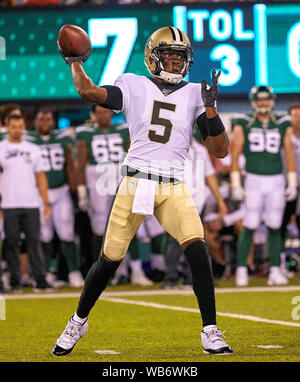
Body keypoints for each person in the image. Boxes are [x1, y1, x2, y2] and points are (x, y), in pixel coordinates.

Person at [53, 26, 233, 356]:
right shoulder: (132, 84)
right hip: (136, 182)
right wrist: (75, 63)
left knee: (197, 250)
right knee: (109, 261)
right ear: (153, 57)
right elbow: (89, 92)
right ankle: (78, 321)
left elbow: (221, 151)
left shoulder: (196, 93)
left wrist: (211, 110)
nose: (176, 64)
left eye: (181, 58)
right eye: (169, 56)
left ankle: (210, 330)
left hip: (174, 185)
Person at [230, 86, 297, 286]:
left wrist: (292, 181)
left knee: (276, 226)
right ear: (253, 101)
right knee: (249, 224)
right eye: (259, 100)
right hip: (253, 179)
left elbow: (289, 152)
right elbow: (235, 152)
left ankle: (275, 269)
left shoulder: (283, 123)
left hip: (276, 179)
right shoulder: (244, 121)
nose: (263, 103)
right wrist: (235, 182)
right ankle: (241, 269)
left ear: (272, 101)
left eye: (266, 100)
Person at [25, 109, 84, 288]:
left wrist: (78, 190)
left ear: (53, 122)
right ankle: (47, 272)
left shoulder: (63, 138)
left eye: (48, 118)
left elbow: (71, 163)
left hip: (61, 191)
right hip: (39, 194)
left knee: (67, 233)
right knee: (44, 236)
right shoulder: (28, 140)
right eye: (41, 118)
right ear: (34, 122)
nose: (44, 121)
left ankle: (74, 272)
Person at [0, 114, 53, 292]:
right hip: (8, 204)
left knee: (34, 243)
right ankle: (15, 283)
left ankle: (41, 280)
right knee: (11, 244)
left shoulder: (33, 149)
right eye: (13, 126)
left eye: (20, 126)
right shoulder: (1, 148)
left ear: (24, 128)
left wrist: (46, 203)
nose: (17, 130)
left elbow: (41, 177)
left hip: (31, 203)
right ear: (7, 126)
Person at [75, 104, 129, 262]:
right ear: (93, 115)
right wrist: (82, 193)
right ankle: (99, 267)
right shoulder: (85, 133)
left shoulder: (124, 129)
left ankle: (131, 269)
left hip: (120, 173)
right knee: (99, 224)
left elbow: (133, 155)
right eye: (98, 112)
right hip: (97, 177)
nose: (102, 115)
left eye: (105, 111)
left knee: (126, 222)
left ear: (111, 113)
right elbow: (80, 163)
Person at [280, 104, 300, 261]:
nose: (297, 119)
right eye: (294, 115)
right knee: (279, 224)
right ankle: (277, 261)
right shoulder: (282, 137)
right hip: (284, 187)